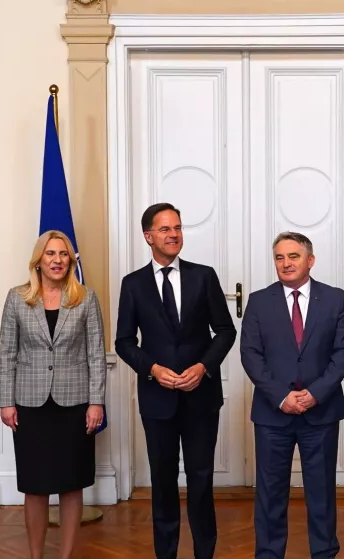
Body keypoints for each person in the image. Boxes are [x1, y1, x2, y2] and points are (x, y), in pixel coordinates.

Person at [115, 202, 236, 559]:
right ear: (148, 236)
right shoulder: (133, 284)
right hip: (157, 399)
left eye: (178, 228)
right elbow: (123, 342)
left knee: (201, 481)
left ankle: (204, 553)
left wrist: (204, 367)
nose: (174, 235)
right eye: (166, 229)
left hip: (201, 397)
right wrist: (152, 369)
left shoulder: (204, 276)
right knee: (163, 482)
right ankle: (165, 553)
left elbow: (225, 331)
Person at [240, 231, 344, 559]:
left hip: (321, 411)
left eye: (293, 256)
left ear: (310, 260)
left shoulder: (335, 299)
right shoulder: (259, 301)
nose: (286, 263)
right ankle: (269, 554)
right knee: (270, 492)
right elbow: (250, 354)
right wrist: (281, 397)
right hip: (272, 413)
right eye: (279, 257)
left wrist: (315, 394)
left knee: (320, 492)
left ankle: (324, 553)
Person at [0, 230, 107, 559]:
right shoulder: (17, 298)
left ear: (71, 261)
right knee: (35, 485)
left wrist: (96, 402)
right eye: (50, 254)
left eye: (63, 254)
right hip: (30, 404)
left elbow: (96, 355)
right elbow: (7, 354)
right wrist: (5, 401)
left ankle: (66, 555)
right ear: (38, 261)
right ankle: (36, 555)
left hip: (75, 404)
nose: (57, 260)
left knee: (72, 484)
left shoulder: (86, 297)